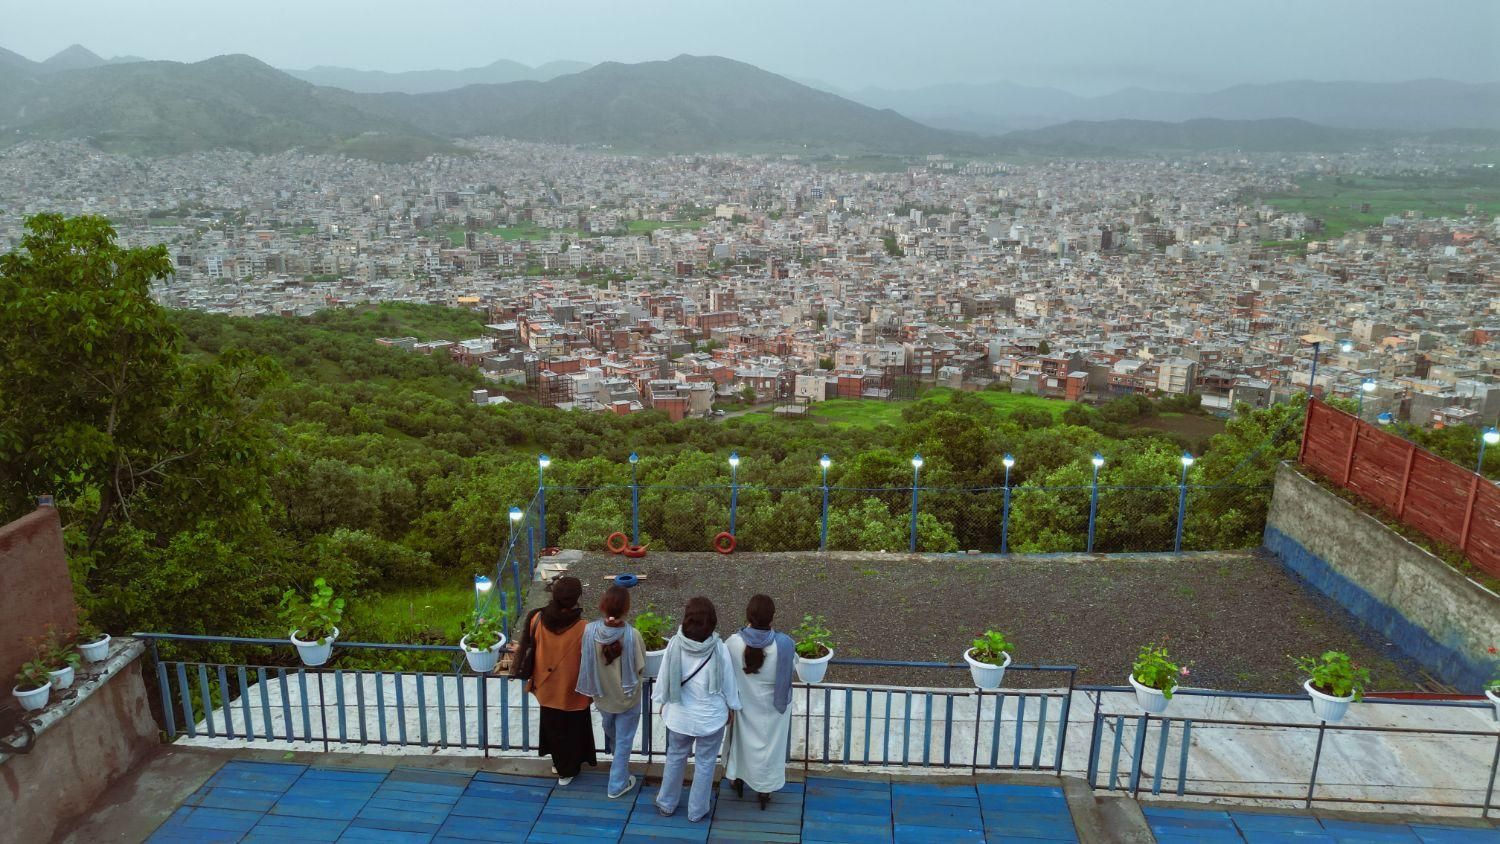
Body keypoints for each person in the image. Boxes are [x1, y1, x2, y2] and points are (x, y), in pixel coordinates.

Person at [653, 596, 740, 823]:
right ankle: (697, 810)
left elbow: (664, 678)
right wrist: (732, 707)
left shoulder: (675, 644)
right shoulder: (719, 648)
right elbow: (728, 684)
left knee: (675, 757)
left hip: (679, 715)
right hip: (710, 718)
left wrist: (662, 701)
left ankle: (666, 803)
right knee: (705, 763)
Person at [513, 576, 595, 784]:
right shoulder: (584, 627)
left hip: (545, 686)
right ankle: (567, 770)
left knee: (553, 728)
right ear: (577, 598)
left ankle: (558, 763)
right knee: (574, 730)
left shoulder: (537, 618)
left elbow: (528, 647)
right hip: (574, 689)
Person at [574, 584, 646, 799]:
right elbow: (641, 667)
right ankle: (617, 784)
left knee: (611, 730)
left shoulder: (589, 631)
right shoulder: (632, 635)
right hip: (627, 698)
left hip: (602, 696)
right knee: (624, 740)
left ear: (602, 606)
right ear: (626, 609)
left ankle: (618, 765)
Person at [724, 594, 795, 809]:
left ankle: (736, 778)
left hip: (744, 705)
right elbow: (792, 670)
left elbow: (726, 672)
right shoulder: (784, 645)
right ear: (772, 617)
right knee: (770, 750)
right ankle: (765, 790)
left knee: (740, 743)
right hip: (775, 709)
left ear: (748, 616)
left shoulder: (733, 643)